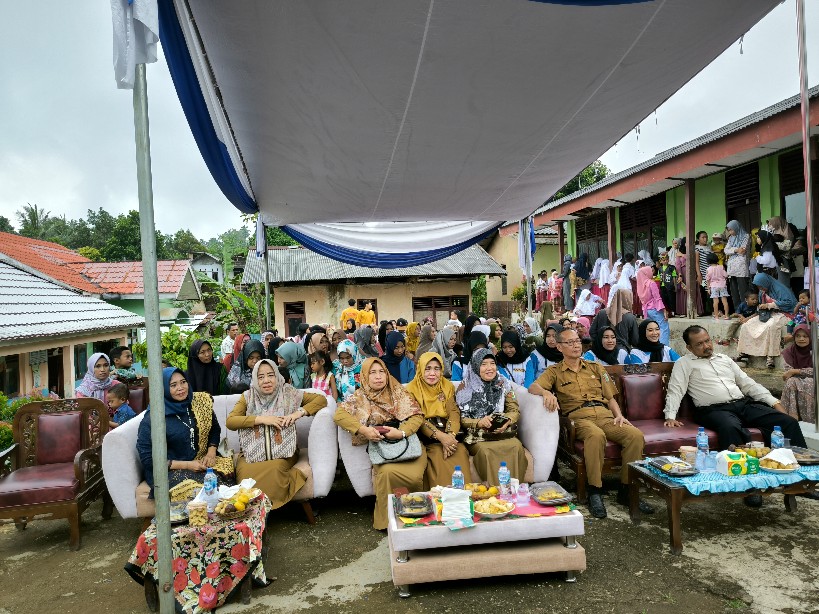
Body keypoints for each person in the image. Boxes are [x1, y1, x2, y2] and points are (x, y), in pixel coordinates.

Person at [663, 325, 810, 506]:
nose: (706, 346)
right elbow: (675, 389)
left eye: (707, 341)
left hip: (742, 404)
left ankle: (803, 482)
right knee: (730, 427)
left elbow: (748, 384)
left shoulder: (724, 359)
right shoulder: (684, 363)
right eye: (699, 344)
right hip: (713, 410)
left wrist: (775, 403)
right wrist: (670, 416)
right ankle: (748, 488)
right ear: (689, 347)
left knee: (787, 422)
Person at [528, 328, 652, 518]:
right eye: (570, 342)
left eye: (577, 341)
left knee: (635, 435)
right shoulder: (554, 371)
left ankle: (627, 491)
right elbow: (533, 387)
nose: (576, 345)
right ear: (559, 347)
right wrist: (545, 392)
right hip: (578, 417)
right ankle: (594, 490)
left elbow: (610, 398)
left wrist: (619, 415)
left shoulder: (595, 367)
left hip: (604, 415)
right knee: (595, 435)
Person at [334, 357, 427, 530]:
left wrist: (401, 432)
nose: (378, 376)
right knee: (386, 473)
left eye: (381, 372)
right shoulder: (359, 397)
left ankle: (417, 516)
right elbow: (339, 415)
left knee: (415, 476)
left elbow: (416, 416)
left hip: (407, 445)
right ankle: (390, 522)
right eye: (372, 373)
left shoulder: (397, 391)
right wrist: (364, 430)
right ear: (364, 376)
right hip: (383, 449)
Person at [227, 359, 327, 510]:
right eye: (261, 377)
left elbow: (320, 400)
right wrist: (261, 419)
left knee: (275, 469)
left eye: (270, 375)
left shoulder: (288, 392)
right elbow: (231, 421)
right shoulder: (248, 396)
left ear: (277, 376)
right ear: (255, 379)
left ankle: (266, 509)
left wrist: (297, 413)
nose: (266, 381)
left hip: (283, 451)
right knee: (246, 474)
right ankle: (253, 511)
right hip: (253, 452)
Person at [137, 368, 235, 496]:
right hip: (170, 470)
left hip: (200, 462)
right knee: (202, 490)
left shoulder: (199, 403)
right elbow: (148, 459)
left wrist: (211, 453)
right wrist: (188, 465)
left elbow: (214, 429)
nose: (181, 388)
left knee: (226, 483)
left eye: (183, 382)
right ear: (163, 389)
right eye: (173, 385)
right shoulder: (153, 419)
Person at [456, 349, 528, 485]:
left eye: (492, 363)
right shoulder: (465, 387)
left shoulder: (503, 383)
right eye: (483, 364)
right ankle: (493, 491)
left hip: (502, 433)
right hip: (477, 436)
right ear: (476, 366)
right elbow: (462, 419)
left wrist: (506, 421)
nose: (489, 368)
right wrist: (479, 422)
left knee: (516, 446)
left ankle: (514, 491)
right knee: (486, 451)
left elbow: (514, 410)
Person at [407, 352, 472, 489]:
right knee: (437, 455)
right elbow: (416, 418)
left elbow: (454, 412)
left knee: (459, 451)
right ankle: (441, 499)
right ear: (420, 369)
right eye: (427, 368)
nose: (432, 373)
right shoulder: (411, 389)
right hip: (427, 436)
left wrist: (450, 436)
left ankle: (464, 498)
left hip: (448, 433)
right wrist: (440, 437)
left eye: (436, 369)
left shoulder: (447, 386)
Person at [736, 273, 796, 369]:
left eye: (761, 286)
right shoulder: (762, 291)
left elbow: (789, 303)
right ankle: (744, 352)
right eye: (758, 286)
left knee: (771, 326)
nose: (760, 288)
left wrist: (770, 305)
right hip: (767, 314)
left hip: (784, 313)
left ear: (766, 282)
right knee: (746, 325)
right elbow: (761, 305)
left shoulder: (780, 289)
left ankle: (770, 357)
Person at [780, 324, 815, 423]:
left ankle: (810, 421)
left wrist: (796, 371)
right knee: (791, 382)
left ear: (810, 337)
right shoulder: (789, 352)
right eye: (798, 336)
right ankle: (791, 420)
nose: (801, 339)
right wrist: (796, 372)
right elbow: (788, 372)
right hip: (796, 381)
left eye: (805, 336)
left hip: (815, 381)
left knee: (809, 382)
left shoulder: (816, 350)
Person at [636, 265, 670, 345]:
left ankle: (651, 346)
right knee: (663, 327)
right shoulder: (651, 283)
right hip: (655, 308)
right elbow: (657, 298)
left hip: (646, 310)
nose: (651, 272)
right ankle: (663, 347)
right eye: (650, 271)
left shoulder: (640, 285)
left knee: (651, 329)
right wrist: (664, 310)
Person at [724, 220, 751, 311]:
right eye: (729, 230)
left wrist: (732, 250)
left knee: (743, 290)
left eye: (731, 229)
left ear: (736, 227)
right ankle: (737, 310)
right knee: (734, 291)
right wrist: (736, 250)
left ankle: (745, 310)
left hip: (741, 267)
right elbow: (726, 250)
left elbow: (743, 250)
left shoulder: (746, 236)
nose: (731, 232)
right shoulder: (731, 238)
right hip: (731, 267)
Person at [705, 252, 730, 319]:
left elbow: (708, 280)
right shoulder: (721, 267)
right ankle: (726, 315)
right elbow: (726, 275)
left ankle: (716, 316)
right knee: (724, 301)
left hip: (713, 286)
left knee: (715, 301)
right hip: (722, 285)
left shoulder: (708, 269)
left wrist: (708, 288)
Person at [695, 231, 713, 316]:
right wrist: (699, 274)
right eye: (703, 237)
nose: (705, 239)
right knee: (704, 292)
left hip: (711, 273)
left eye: (706, 237)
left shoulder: (709, 248)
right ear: (698, 239)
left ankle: (710, 310)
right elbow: (697, 262)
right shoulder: (697, 248)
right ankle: (704, 310)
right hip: (703, 273)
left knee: (711, 291)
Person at [656, 252, 677, 317]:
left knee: (671, 299)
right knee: (664, 299)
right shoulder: (660, 269)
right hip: (662, 286)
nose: (665, 261)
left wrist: (675, 286)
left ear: (668, 260)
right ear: (661, 261)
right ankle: (666, 312)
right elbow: (658, 278)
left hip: (670, 286)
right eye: (663, 260)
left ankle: (672, 311)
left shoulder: (672, 268)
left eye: (666, 260)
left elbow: (674, 277)